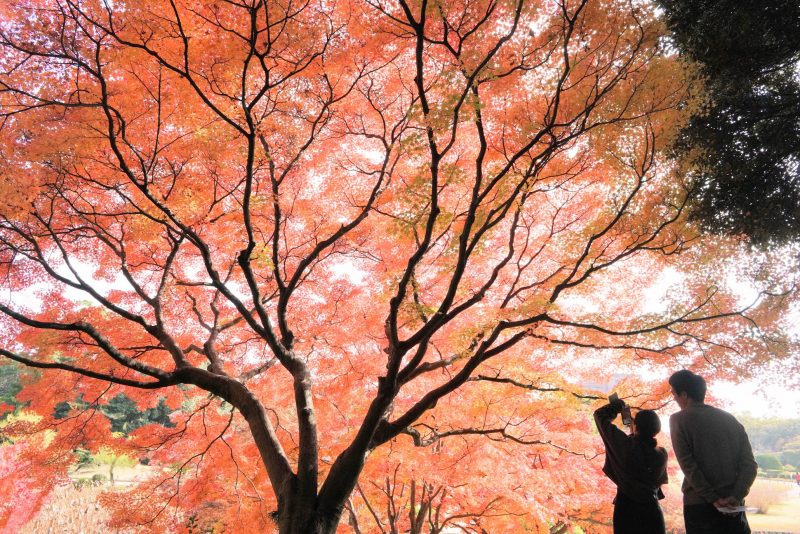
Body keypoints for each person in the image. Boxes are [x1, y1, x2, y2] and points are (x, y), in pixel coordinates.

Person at [669, 370, 758, 534]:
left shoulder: (679, 419)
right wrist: (736, 496)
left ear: (684, 394)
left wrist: (714, 499)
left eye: (674, 394)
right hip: (734, 508)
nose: (673, 398)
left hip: (699, 507)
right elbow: (750, 465)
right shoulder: (730, 419)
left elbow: (688, 466)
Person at [594, 398, 668, 534]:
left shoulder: (625, 446)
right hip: (652, 510)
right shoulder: (661, 453)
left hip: (626, 508)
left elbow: (599, 416)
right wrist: (636, 430)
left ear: (636, 426)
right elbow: (642, 446)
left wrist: (617, 405)